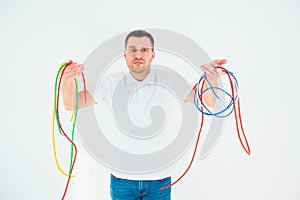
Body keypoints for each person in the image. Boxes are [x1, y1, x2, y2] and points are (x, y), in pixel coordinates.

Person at [62, 30, 226, 200]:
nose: (138, 54)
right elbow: (71, 104)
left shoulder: (169, 79)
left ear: (152, 55)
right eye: (132, 50)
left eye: (144, 50)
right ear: (125, 55)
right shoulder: (110, 82)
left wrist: (211, 79)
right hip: (122, 179)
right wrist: (67, 81)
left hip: (159, 179)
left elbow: (207, 100)